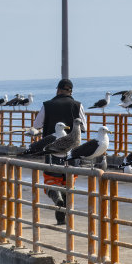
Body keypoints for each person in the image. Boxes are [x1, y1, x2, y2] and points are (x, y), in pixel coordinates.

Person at [32, 78, 86, 225]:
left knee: (51, 182)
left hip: (52, 152)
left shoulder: (47, 105)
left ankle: (57, 198)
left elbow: (36, 125)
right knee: (69, 184)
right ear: (71, 91)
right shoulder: (78, 105)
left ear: (58, 90)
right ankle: (63, 217)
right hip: (72, 153)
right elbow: (84, 127)